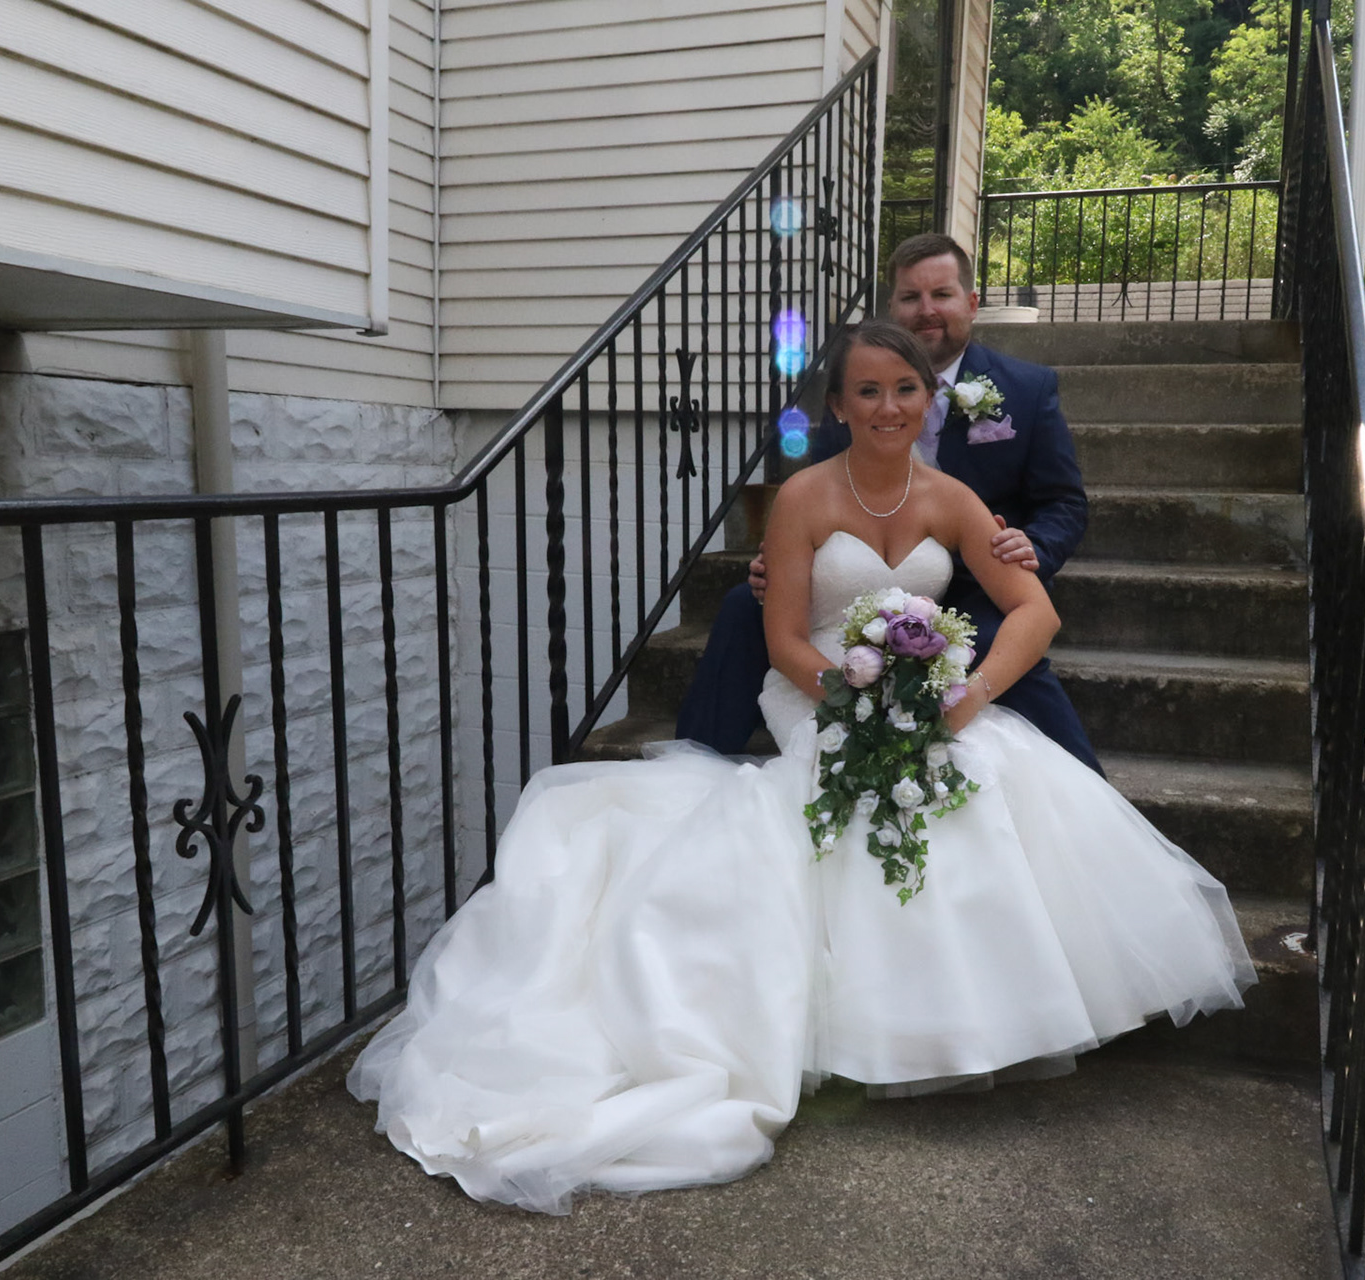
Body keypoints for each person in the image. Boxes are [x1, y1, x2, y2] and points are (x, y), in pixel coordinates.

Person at [349, 322, 1254, 1216]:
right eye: (868, 391)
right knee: (851, 803)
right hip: (817, 690)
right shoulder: (803, 498)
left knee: (981, 780)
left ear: (928, 398)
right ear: (839, 406)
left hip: (924, 693)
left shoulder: (952, 499)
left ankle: (967, 1018)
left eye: (905, 389)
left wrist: (969, 693)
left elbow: (1035, 613)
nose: (889, 406)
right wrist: (851, 698)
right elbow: (781, 638)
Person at [676, 233, 1101, 774]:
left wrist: (1026, 549)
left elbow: (1063, 504)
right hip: (851, 593)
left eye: (941, 295)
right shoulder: (851, 393)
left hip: (974, 581)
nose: (926, 310)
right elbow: (819, 499)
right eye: (909, 297)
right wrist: (782, 562)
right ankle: (697, 765)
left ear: (971, 303)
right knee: (745, 606)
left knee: (1007, 645)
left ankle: (1081, 781)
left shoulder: (1026, 389)